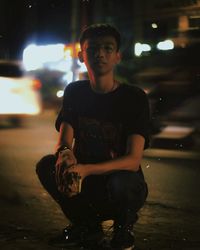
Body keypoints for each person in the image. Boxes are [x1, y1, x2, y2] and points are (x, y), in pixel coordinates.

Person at [36, 23, 150, 250]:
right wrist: (64, 154)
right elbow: (64, 139)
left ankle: (123, 230)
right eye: (93, 49)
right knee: (48, 165)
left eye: (108, 48)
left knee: (123, 181)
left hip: (119, 185)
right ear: (81, 55)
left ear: (118, 56)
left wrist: (86, 170)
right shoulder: (75, 91)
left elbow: (133, 160)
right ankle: (87, 227)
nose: (100, 54)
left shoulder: (133, 97)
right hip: (83, 183)